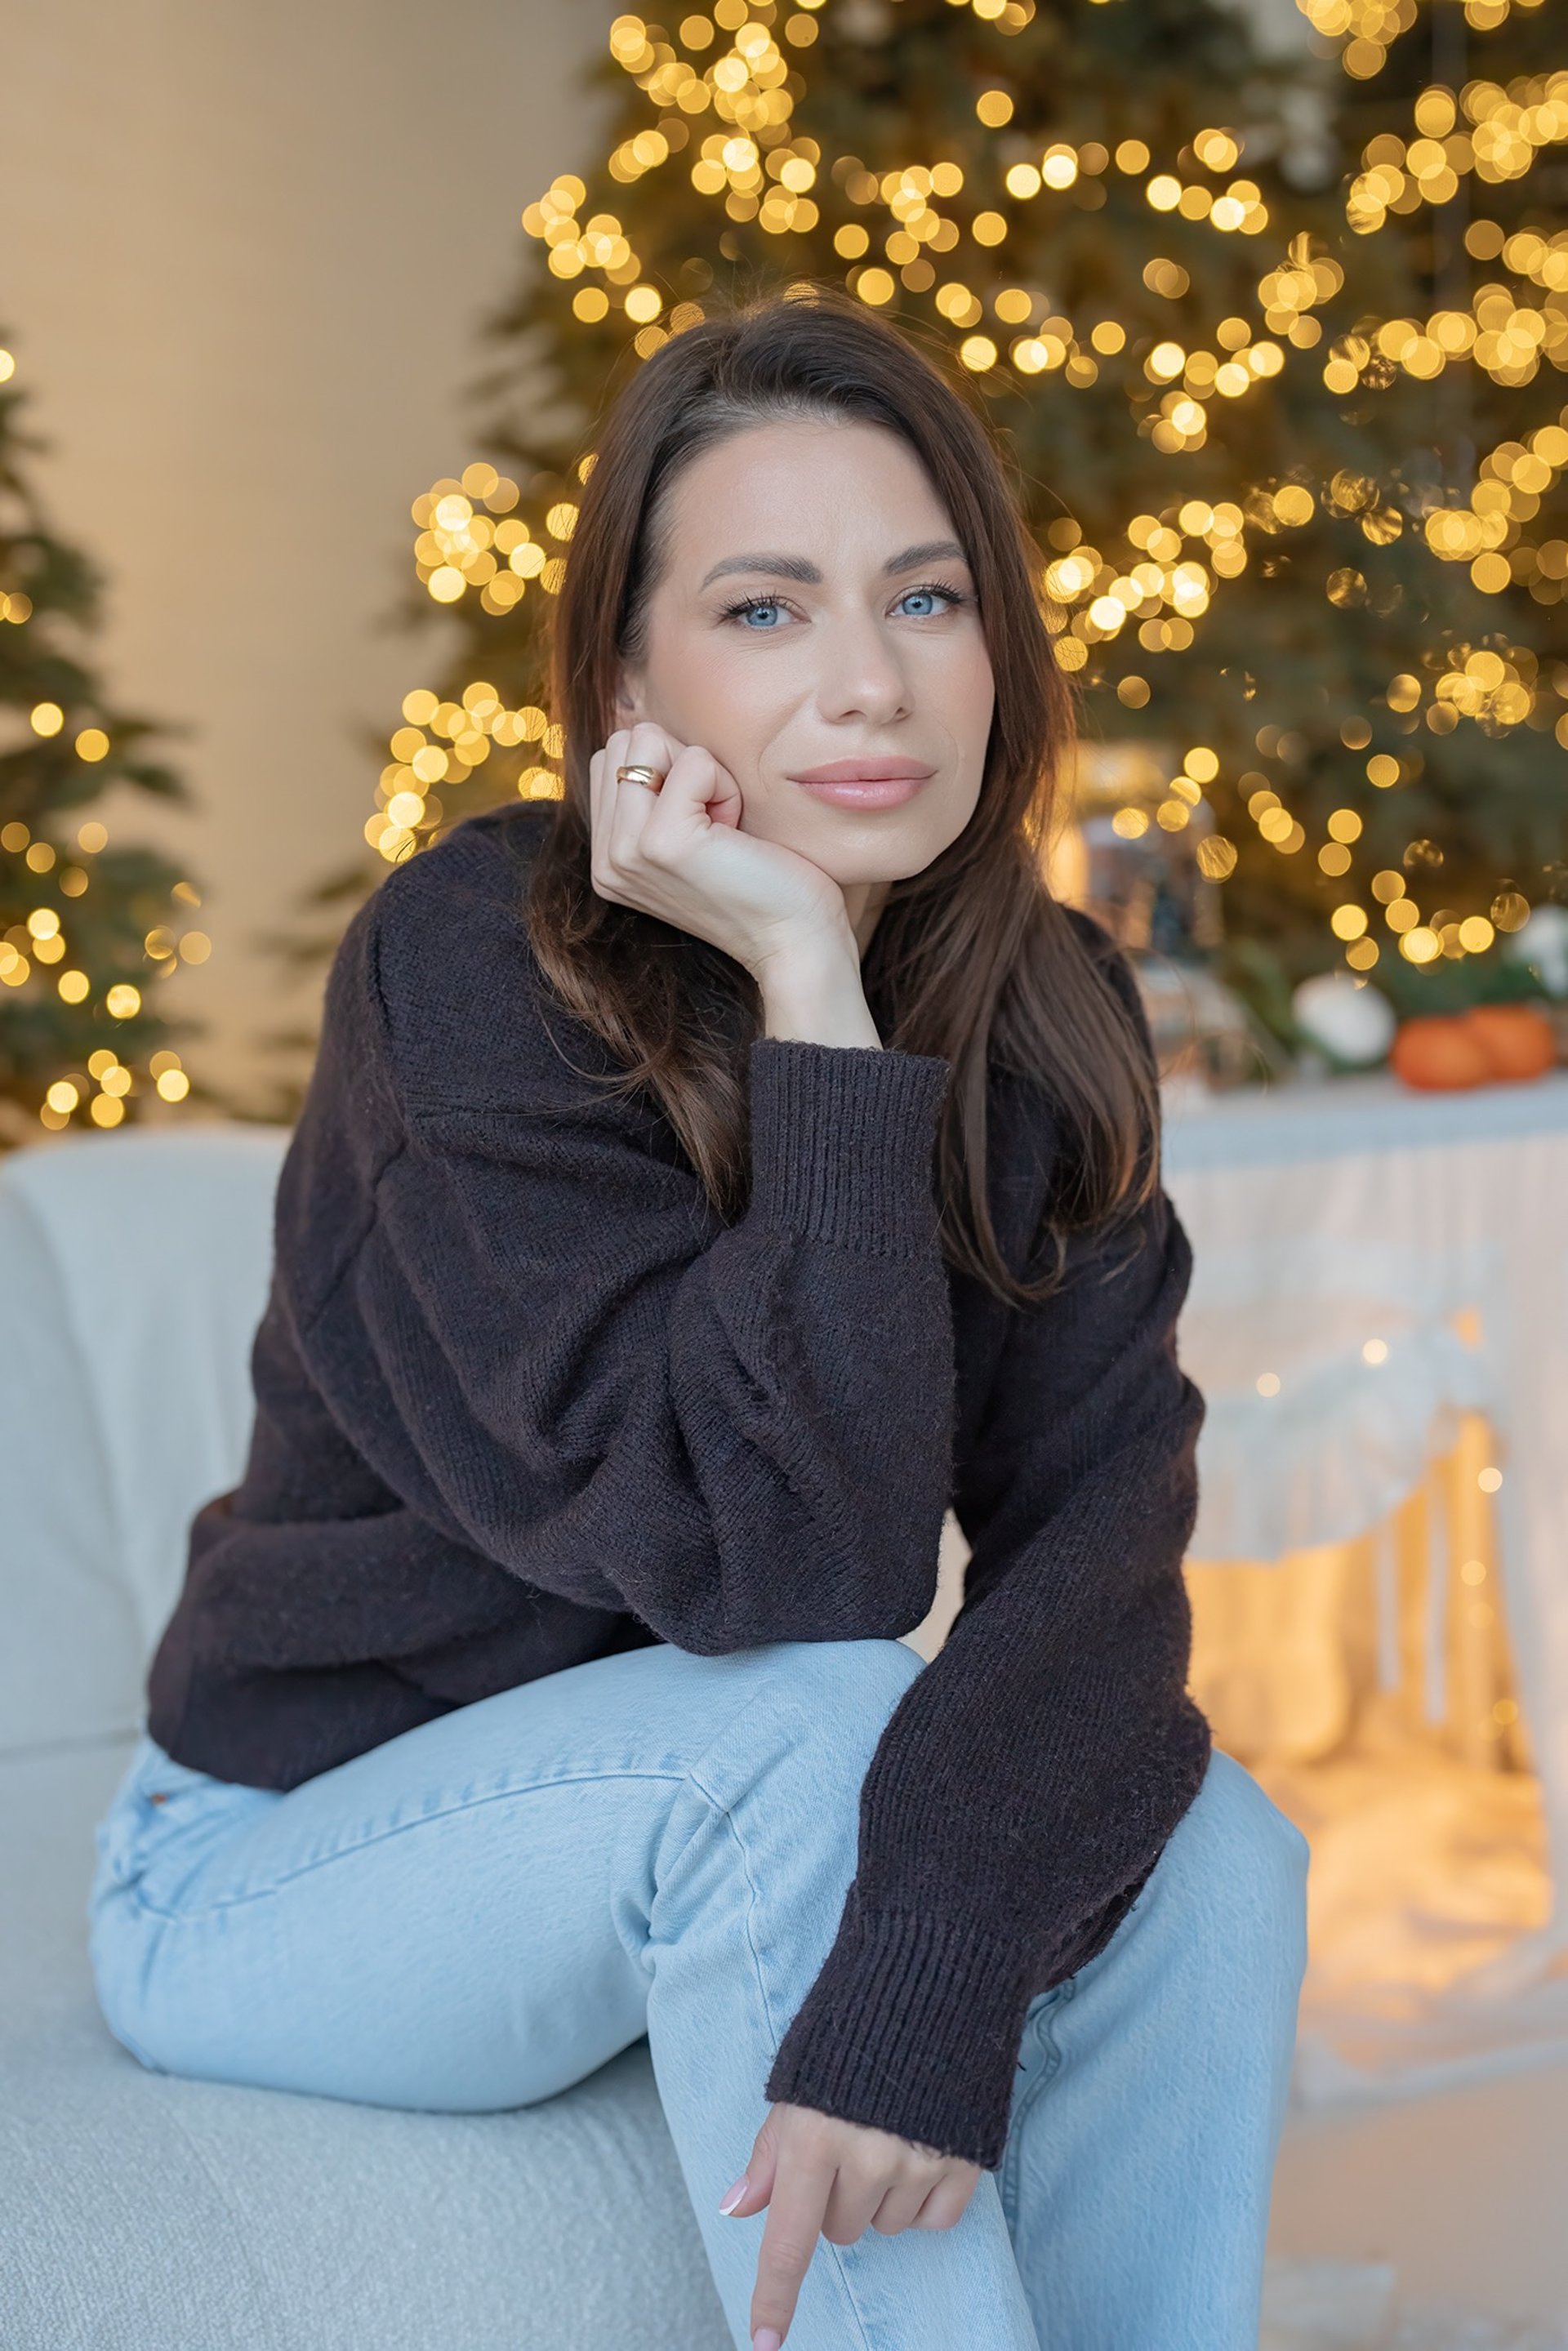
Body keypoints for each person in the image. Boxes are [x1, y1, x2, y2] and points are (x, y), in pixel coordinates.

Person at [87, 287, 1309, 2351]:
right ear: (626, 675)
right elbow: (791, 1576)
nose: (869, 681)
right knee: (811, 1731)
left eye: (927, 600)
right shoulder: (475, 963)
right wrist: (807, 993)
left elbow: (1098, 1558)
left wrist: (937, 1930)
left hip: (703, 1805)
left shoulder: (1053, 1007)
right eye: (763, 610)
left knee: (1225, 1846)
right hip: (278, 1868)